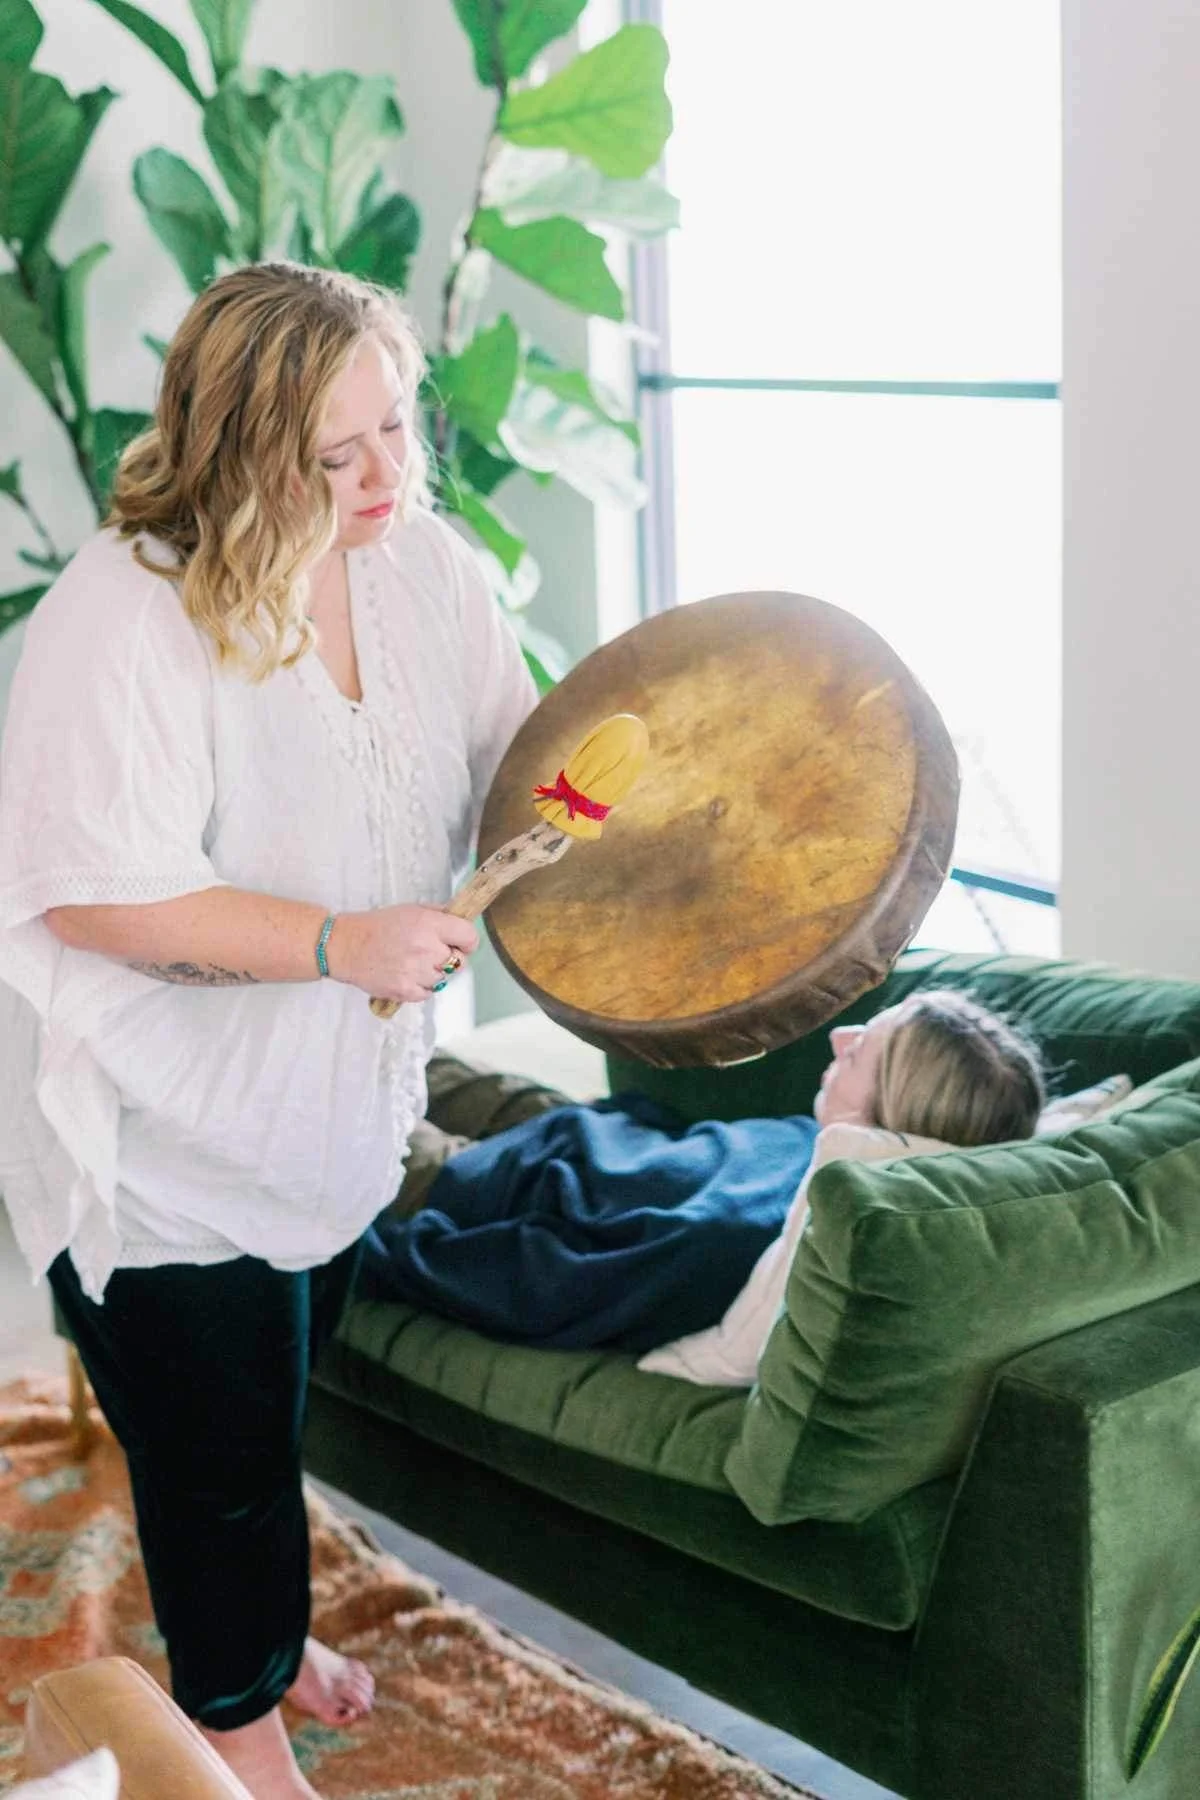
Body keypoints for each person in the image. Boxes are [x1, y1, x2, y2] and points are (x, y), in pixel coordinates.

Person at [0, 263, 537, 1799]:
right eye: (336, 455)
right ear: (243, 453)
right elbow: (93, 898)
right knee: (217, 1451)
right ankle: (236, 1727)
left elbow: (513, 751)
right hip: (160, 1119)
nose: (389, 478)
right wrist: (336, 943)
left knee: (264, 1409)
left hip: (327, 1102)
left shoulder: (424, 568)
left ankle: (261, 1635)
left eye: (397, 428)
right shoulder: (126, 613)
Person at [360, 990, 1047, 1357]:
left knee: (315, 1092)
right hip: (566, 1128)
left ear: (892, 1110)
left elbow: (545, 1284)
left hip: (471, 1184)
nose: (842, 1036)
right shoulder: (816, 1141)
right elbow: (684, 1150)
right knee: (360, 1031)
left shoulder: (730, 1238)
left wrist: (370, 1249)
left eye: (867, 1049)